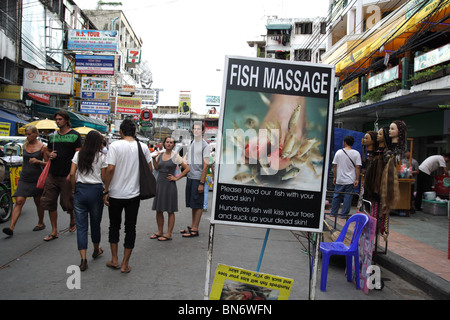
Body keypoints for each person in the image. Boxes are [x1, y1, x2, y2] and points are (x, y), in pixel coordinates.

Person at [103, 119, 152, 273]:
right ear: (135, 132)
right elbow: (149, 169)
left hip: (116, 194)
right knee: (130, 228)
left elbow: (110, 169)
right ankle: (125, 263)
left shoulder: (115, 146)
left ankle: (114, 259)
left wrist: (106, 190)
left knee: (114, 226)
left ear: (121, 132)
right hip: (134, 195)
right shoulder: (142, 147)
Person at [70, 131, 108, 271]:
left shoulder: (78, 154)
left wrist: (75, 190)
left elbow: (72, 174)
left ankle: (83, 258)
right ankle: (96, 249)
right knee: (95, 223)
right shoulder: (102, 157)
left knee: (81, 227)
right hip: (96, 191)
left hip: (80, 190)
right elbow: (104, 177)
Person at [41, 111, 82, 241]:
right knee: (50, 202)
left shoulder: (75, 136)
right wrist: (50, 155)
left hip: (67, 175)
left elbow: (78, 155)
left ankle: (72, 217)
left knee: (67, 202)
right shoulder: (52, 136)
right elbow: (47, 150)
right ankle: (54, 231)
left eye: (60, 119)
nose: (58, 121)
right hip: (52, 173)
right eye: (56, 119)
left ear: (66, 120)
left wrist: (72, 173)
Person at [2, 126, 47, 236]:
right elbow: (24, 162)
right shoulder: (24, 146)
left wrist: (38, 161)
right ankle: (11, 228)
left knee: (38, 201)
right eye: (26, 134)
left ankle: (41, 223)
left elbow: (48, 163)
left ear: (36, 134)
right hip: (25, 177)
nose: (27, 136)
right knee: (19, 201)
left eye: (29, 134)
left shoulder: (43, 147)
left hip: (37, 178)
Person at [150, 136, 190, 241]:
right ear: (164, 143)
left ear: (173, 145)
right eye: (167, 142)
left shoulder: (175, 156)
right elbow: (158, 168)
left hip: (169, 185)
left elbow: (187, 169)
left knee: (170, 210)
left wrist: (176, 178)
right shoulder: (161, 154)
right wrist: (154, 159)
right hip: (159, 184)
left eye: (171, 142)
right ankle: (160, 231)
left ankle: (168, 233)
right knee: (158, 209)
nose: (169, 144)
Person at [180, 122, 210, 238]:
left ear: (203, 131)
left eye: (198, 129)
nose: (196, 131)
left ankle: (195, 229)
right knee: (193, 204)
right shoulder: (192, 143)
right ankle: (192, 225)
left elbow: (206, 165)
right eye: (194, 129)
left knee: (198, 204)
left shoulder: (205, 146)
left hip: (198, 178)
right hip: (190, 177)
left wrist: (202, 183)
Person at [330, 135, 362, 217]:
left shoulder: (339, 152)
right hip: (350, 180)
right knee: (348, 197)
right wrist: (357, 179)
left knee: (336, 196)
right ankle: (344, 214)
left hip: (339, 179)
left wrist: (335, 177)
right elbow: (357, 167)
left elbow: (334, 166)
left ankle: (333, 212)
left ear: (344, 142)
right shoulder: (356, 153)